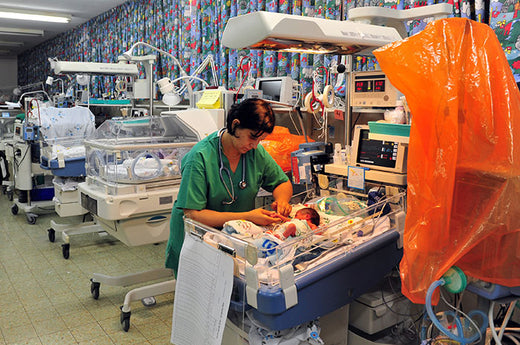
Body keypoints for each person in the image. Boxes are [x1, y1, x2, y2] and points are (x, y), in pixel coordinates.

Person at [165, 98, 293, 274]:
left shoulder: (254, 152)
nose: (255, 145)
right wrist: (248, 217)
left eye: (260, 140)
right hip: (197, 239)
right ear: (235, 125)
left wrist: (282, 201)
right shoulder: (200, 157)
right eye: (252, 137)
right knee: (201, 296)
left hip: (233, 239)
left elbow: (281, 182)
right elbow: (193, 214)